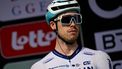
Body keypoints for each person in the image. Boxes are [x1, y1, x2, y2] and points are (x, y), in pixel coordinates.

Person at [31, 0, 113, 69]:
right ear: (53, 25)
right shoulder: (40, 67)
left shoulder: (99, 57)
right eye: (66, 19)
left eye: (76, 18)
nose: (73, 24)